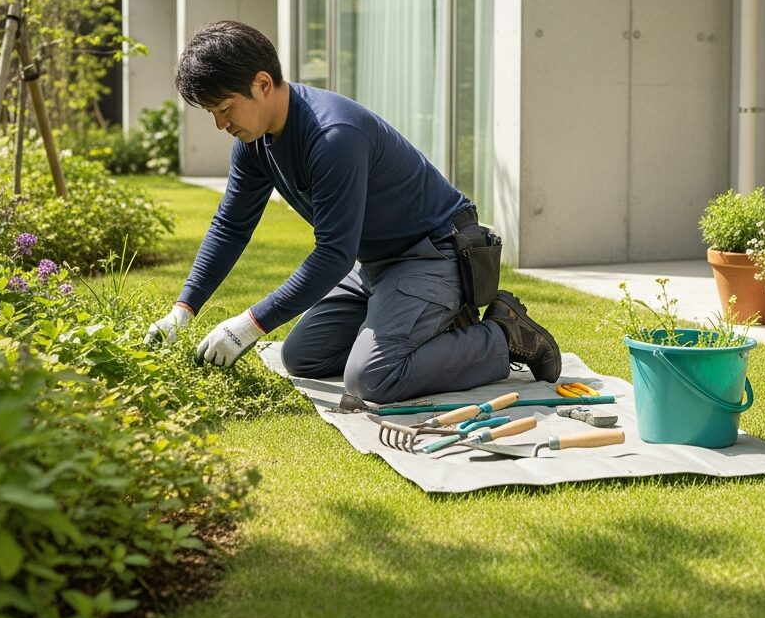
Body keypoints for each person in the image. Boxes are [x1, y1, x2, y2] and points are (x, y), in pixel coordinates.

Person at [144, 20, 561, 404]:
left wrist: (250, 323)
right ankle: (432, 325)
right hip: (377, 264)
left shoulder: (332, 136)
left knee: (371, 378)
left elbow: (332, 254)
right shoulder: (254, 142)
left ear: (262, 83)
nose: (220, 124)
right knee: (302, 356)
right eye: (212, 114)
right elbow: (231, 226)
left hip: (437, 255)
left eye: (225, 109)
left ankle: (505, 334)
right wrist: (183, 310)